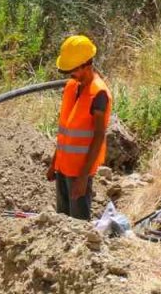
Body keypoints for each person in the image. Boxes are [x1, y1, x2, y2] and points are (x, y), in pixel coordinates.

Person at [46, 34, 112, 220]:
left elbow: (99, 136)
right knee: (62, 220)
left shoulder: (99, 93)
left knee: (78, 225)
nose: (70, 75)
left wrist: (83, 178)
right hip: (63, 168)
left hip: (80, 172)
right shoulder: (72, 87)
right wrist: (54, 163)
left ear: (86, 65)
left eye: (73, 70)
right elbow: (65, 133)